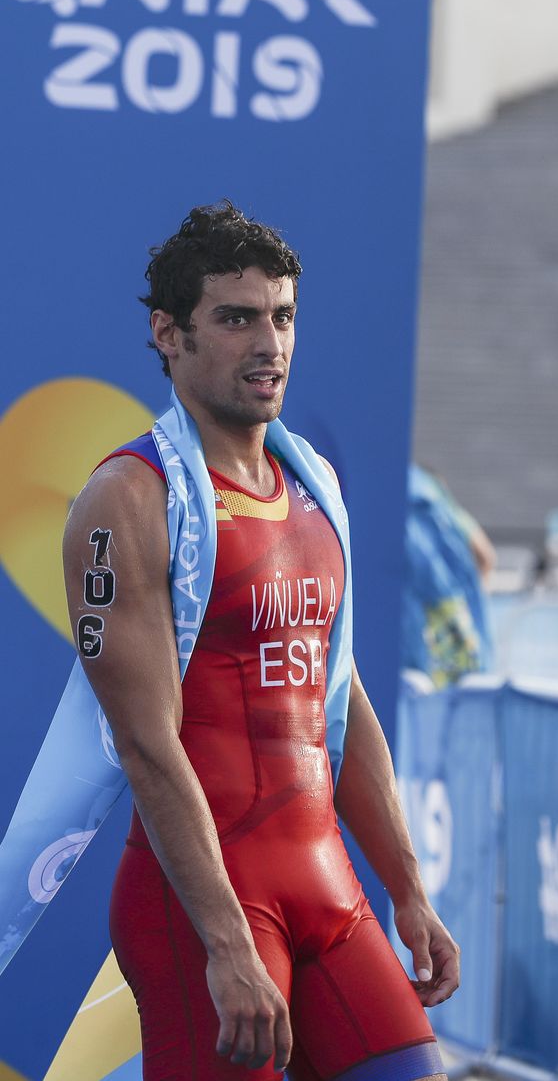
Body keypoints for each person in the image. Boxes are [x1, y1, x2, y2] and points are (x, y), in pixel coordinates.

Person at [61, 202, 458, 1080]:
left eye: (281, 316)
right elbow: (144, 740)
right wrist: (227, 941)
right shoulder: (128, 500)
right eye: (236, 318)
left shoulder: (313, 485)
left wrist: (407, 888)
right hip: (202, 907)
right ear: (168, 333)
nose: (268, 342)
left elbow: (336, 696)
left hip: (330, 893)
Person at [402, 464, 495, 688]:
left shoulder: (389, 484)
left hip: (414, 626)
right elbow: (485, 555)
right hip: (457, 619)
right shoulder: (436, 497)